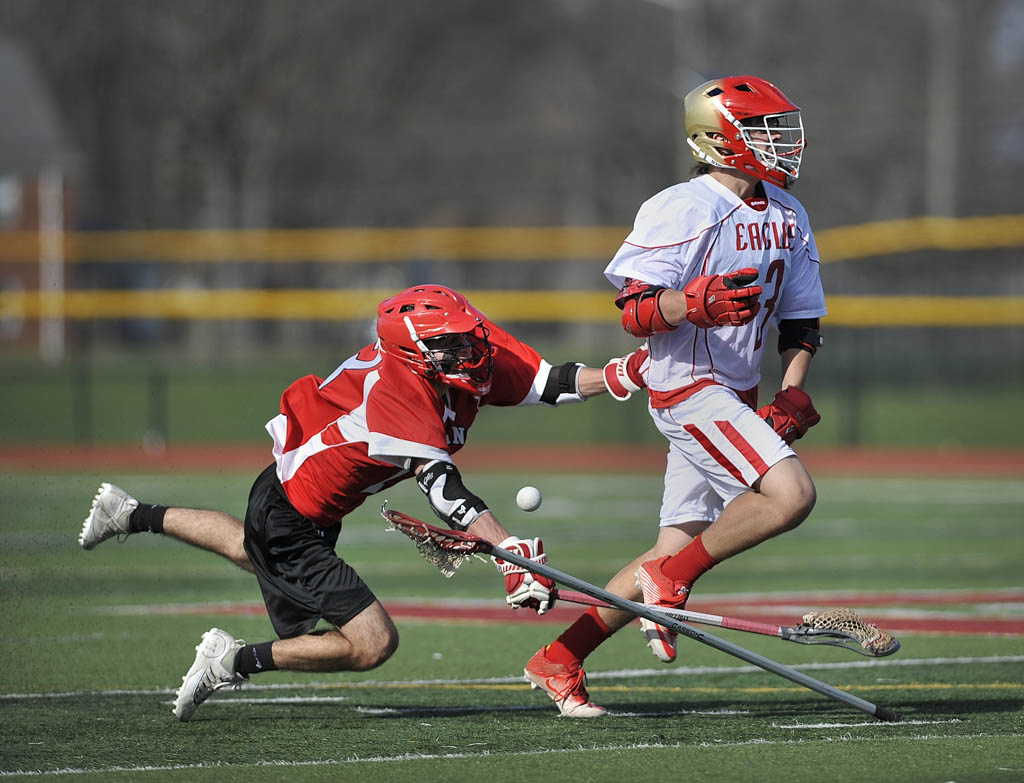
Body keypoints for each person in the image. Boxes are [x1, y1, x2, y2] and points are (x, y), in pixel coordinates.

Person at [78, 283, 647, 721]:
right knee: (373, 643)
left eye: (467, 338)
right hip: (292, 520)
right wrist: (508, 551)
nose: (471, 353)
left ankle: (130, 513)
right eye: (451, 348)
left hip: (292, 498)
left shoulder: (460, 348)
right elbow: (446, 492)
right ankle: (231, 660)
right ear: (417, 355)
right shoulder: (398, 401)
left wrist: (625, 374)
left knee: (248, 550)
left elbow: (548, 380)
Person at [524, 75, 826, 717]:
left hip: (734, 391)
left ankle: (560, 656)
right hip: (688, 386)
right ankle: (672, 580)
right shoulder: (683, 207)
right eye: (768, 130)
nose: (784, 144)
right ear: (720, 139)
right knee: (791, 495)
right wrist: (690, 303)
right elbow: (634, 312)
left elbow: (801, 322)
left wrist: (790, 394)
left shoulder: (790, 213)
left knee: (669, 548)